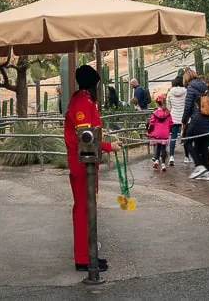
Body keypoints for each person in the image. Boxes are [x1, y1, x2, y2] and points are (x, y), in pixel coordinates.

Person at [64, 65, 120, 272]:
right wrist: (109, 146)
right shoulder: (81, 102)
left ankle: (89, 254)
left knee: (88, 208)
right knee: (83, 209)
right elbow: (85, 137)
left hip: (87, 163)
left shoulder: (84, 100)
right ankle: (83, 258)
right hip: (82, 164)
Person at [182, 69, 209, 180]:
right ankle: (207, 171)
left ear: (186, 78)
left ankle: (199, 166)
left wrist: (184, 120)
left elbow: (187, 106)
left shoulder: (191, 88)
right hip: (208, 119)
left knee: (186, 141)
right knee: (202, 145)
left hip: (197, 119)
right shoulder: (203, 85)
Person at [165, 74, 187, 166]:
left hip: (173, 117)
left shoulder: (170, 92)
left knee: (173, 137)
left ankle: (171, 157)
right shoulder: (186, 91)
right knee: (185, 137)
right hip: (184, 117)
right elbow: (188, 103)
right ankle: (187, 157)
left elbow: (168, 106)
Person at [147, 95, 171, 171]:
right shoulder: (167, 113)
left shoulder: (154, 113)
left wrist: (149, 132)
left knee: (157, 147)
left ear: (157, 104)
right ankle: (163, 164)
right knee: (163, 148)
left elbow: (151, 124)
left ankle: (157, 160)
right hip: (165, 134)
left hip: (157, 133)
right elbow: (171, 123)